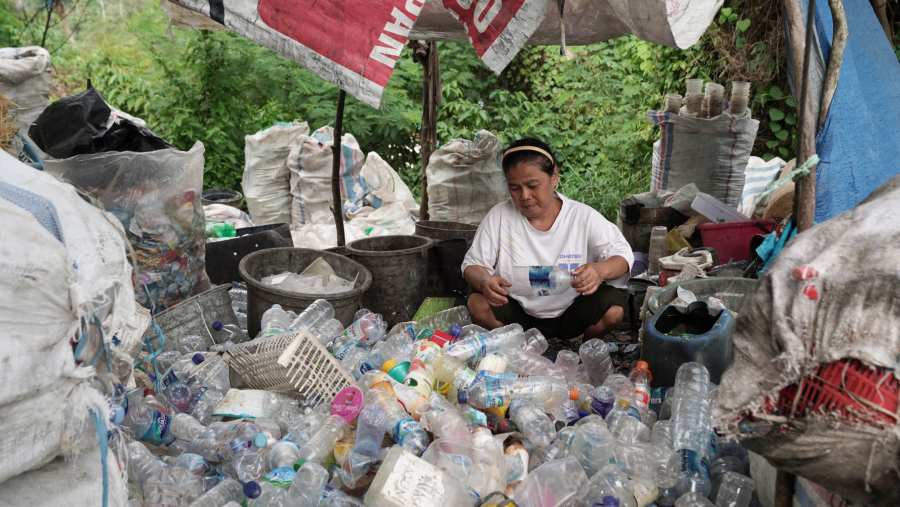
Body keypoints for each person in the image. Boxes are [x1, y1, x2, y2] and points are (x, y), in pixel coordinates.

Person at [462, 137, 634, 349]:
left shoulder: (582, 217)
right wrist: (484, 281)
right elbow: (472, 265)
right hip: (517, 314)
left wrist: (599, 271)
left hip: (572, 313)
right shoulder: (499, 217)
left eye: (533, 185)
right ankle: (514, 347)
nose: (525, 196)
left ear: (554, 178)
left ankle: (584, 348)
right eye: (515, 188)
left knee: (614, 310)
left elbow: (623, 257)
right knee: (476, 303)